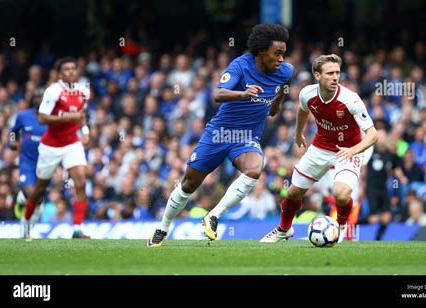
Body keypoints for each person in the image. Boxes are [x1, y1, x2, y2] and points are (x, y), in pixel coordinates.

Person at [147, 23, 294, 247]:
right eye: (278, 53)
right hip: (220, 133)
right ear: (262, 51)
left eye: (284, 53)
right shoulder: (241, 65)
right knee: (189, 184)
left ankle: (214, 215)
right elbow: (217, 94)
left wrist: (279, 101)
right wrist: (243, 93)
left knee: (255, 169)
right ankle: (163, 227)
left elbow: (280, 96)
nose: (282, 58)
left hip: (246, 136)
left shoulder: (286, 72)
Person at [260, 54, 378, 243]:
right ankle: (284, 230)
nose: (335, 77)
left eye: (337, 73)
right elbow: (303, 109)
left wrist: (353, 150)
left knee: (340, 194)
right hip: (320, 148)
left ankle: (339, 227)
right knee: (292, 193)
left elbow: (373, 135)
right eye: (330, 73)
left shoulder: (351, 100)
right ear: (317, 75)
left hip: (347, 150)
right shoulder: (307, 93)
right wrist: (298, 133)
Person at [23, 57, 91, 239]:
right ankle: (27, 221)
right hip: (50, 147)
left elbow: (81, 115)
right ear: (60, 73)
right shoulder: (53, 91)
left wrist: (85, 131)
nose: (70, 72)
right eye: (66, 69)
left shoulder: (83, 92)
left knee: (81, 183)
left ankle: (77, 229)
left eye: (73, 69)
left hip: (72, 144)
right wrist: (70, 117)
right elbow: (42, 118)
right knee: (40, 188)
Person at [10, 90, 47, 223]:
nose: (39, 99)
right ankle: (23, 200)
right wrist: (12, 141)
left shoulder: (52, 119)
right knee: (31, 193)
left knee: (39, 199)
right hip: (27, 162)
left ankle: (27, 224)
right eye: (36, 96)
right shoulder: (23, 116)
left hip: (45, 164)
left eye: (41, 97)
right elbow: (13, 132)